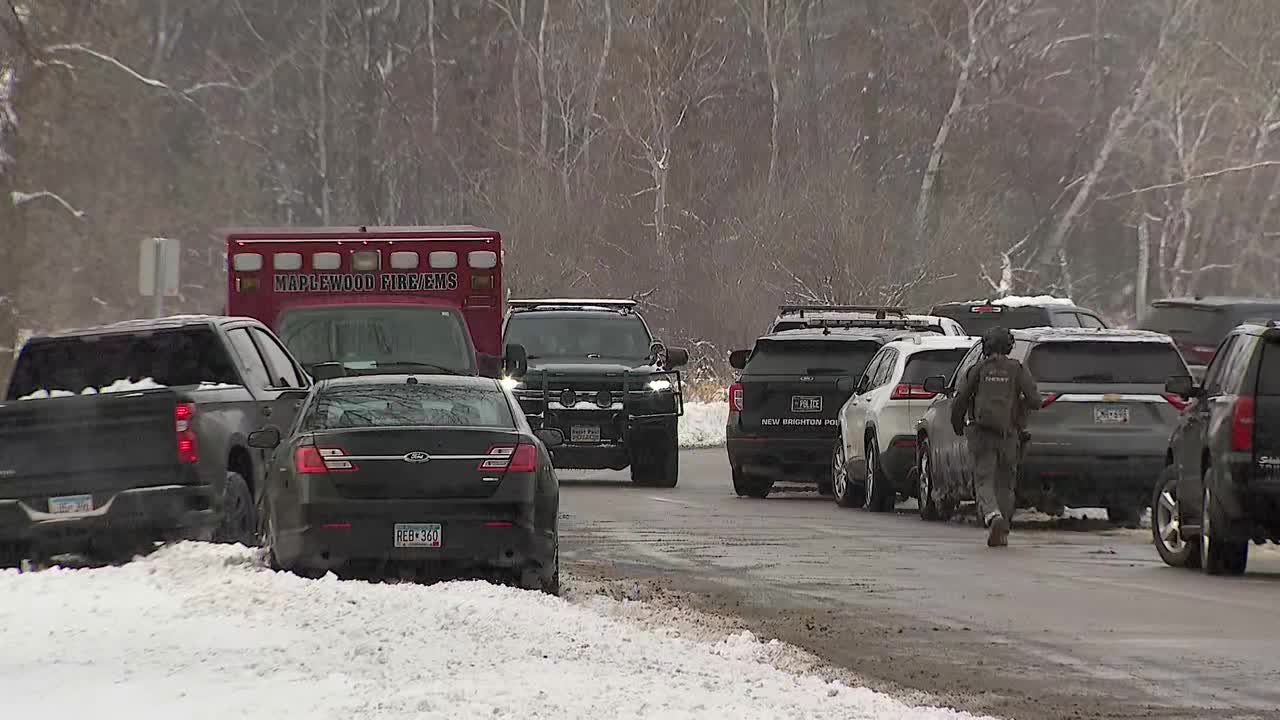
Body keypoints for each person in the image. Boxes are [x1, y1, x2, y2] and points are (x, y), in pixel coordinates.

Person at [950, 327, 1040, 547]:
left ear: (986, 346)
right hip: (1009, 434)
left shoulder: (978, 368)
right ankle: (1004, 527)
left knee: (983, 479)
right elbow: (1034, 400)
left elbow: (961, 398)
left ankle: (992, 516)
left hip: (981, 433)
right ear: (1009, 346)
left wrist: (958, 424)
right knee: (1006, 483)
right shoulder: (1017, 369)